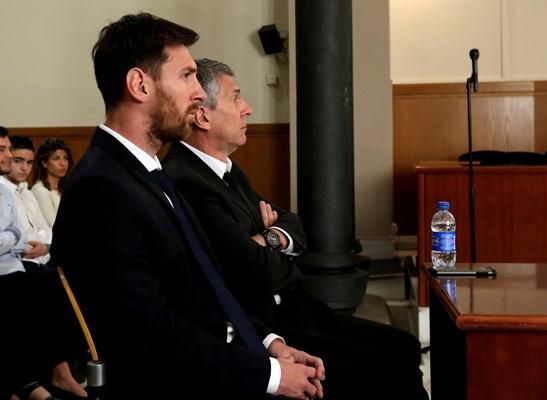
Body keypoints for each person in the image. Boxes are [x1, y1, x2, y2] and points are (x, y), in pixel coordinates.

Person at [51, 13, 325, 400]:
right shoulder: (102, 187)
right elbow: (149, 333)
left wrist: (269, 344)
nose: (198, 92)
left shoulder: (144, 171)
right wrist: (272, 376)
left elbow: (203, 288)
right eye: (186, 76)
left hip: (215, 362)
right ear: (139, 85)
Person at [162, 58, 429, 399]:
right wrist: (268, 243)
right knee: (386, 369)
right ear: (202, 116)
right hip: (265, 326)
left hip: (295, 307)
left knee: (403, 345)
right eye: (236, 98)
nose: (247, 109)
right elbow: (254, 271)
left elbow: (295, 225)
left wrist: (266, 237)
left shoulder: (227, 169)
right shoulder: (186, 179)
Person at [0, 127, 86, 400]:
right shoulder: (22, 189)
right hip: (12, 266)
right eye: (5, 152)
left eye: (9, 150)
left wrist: (15, 238)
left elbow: (25, 233)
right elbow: (17, 237)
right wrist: (15, 238)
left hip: (19, 262)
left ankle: (64, 369)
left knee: (64, 282)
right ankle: (32, 380)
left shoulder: (11, 191)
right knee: (46, 287)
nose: (10, 157)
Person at [0, 135, 52, 272]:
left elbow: (46, 229)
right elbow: (20, 239)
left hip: (43, 258)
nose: (24, 168)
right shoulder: (4, 191)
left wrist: (45, 246)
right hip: (20, 262)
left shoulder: (27, 192)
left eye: (29, 163)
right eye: (18, 161)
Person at [30, 138, 73, 227]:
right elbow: (54, 224)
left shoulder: (66, 189)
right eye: (56, 158)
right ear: (44, 163)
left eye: (65, 158)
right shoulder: (39, 190)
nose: (63, 163)